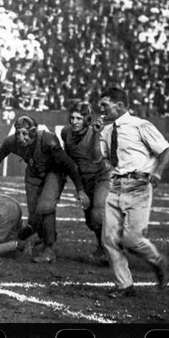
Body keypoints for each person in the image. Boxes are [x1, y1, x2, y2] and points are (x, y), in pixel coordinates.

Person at [0, 116, 90, 264]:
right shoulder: (11, 142)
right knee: (34, 218)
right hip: (34, 172)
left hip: (54, 171)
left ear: (33, 133)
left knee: (46, 206)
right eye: (18, 133)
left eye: (24, 133)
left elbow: (69, 165)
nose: (20, 137)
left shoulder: (48, 141)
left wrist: (80, 189)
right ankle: (41, 237)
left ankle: (49, 248)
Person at [94, 86, 169, 298]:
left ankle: (157, 260)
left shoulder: (140, 125)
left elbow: (165, 149)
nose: (101, 109)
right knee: (109, 239)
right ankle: (124, 285)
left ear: (119, 106)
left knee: (131, 239)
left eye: (105, 105)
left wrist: (157, 173)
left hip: (138, 185)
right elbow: (97, 158)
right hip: (115, 185)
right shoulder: (107, 131)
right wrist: (95, 133)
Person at [60, 101, 110, 265]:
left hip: (101, 177)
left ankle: (110, 250)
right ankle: (102, 248)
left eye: (79, 119)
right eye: (72, 117)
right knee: (90, 221)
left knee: (98, 213)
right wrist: (78, 187)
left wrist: (96, 134)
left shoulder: (95, 134)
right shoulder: (66, 132)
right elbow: (70, 160)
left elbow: (96, 157)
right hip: (83, 179)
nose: (74, 121)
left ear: (87, 120)